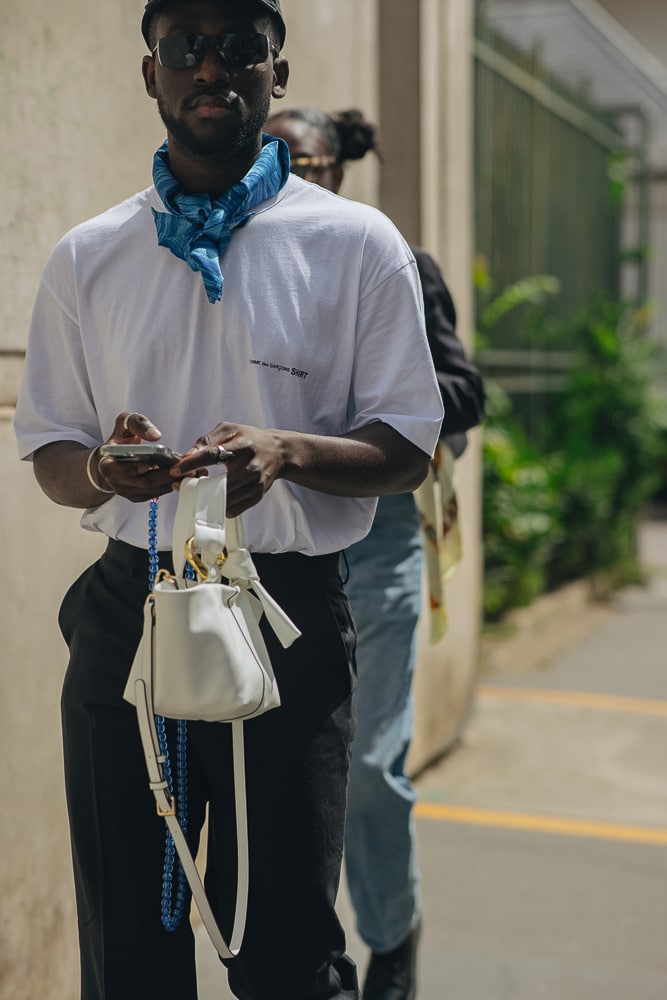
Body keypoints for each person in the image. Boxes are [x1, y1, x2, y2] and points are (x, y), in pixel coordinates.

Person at [14, 6, 445, 999]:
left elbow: (407, 447)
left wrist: (287, 450)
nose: (211, 66)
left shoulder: (357, 243)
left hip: (282, 613)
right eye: (184, 47)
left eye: (239, 46)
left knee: (284, 948)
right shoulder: (91, 254)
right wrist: (103, 470)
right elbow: (50, 449)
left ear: (276, 71)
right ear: (149, 73)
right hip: (132, 610)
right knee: (128, 944)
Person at [268, 108, 485, 1000]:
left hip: (382, 538)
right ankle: (310, 961)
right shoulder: (245, 262)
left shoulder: (393, 259)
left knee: (365, 765)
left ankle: (391, 935)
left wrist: (374, 397)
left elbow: (462, 393)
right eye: (273, 161)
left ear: (338, 170)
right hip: (274, 541)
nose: (287, 178)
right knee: (282, 762)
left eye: (305, 163)